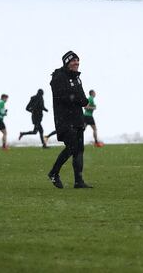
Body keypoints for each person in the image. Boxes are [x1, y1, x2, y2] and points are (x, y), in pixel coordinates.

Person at [47, 51, 92, 189]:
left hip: (77, 119)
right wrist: (78, 99)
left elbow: (84, 99)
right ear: (67, 62)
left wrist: (79, 99)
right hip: (64, 120)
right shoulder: (58, 77)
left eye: (78, 62)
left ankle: (79, 181)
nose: (76, 64)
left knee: (79, 150)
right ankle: (53, 173)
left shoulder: (77, 78)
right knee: (72, 147)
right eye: (73, 61)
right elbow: (63, 97)